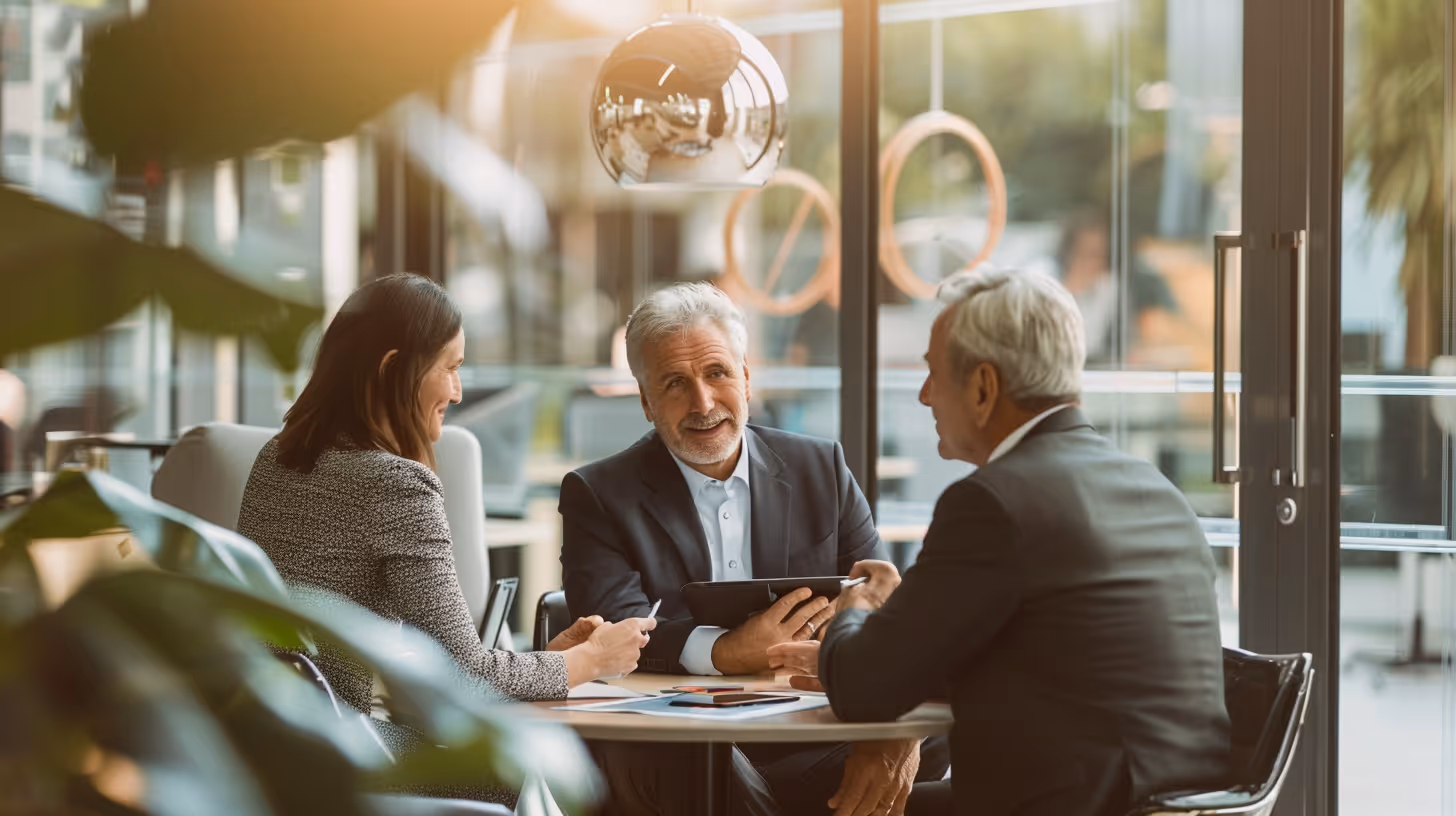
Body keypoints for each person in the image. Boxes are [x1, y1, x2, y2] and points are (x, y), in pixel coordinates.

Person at [788, 266, 1231, 816]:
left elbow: (861, 692)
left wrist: (858, 606)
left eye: (933, 374)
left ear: (983, 387)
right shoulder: (1158, 492)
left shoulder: (993, 502)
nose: (924, 395)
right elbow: (1058, 660)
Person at [236, 274, 655, 802]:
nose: (457, 391)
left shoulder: (275, 459)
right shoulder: (396, 484)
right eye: (451, 369)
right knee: (503, 761)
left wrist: (547, 660)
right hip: (333, 749)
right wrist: (591, 661)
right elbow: (467, 677)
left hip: (256, 743)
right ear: (393, 369)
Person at [559, 281, 948, 815]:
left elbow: (882, 609)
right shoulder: (597, 494)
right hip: (676, 737)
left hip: (808, 729)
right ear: (646, 401)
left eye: (717, 373)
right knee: (703, 769)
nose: (703, 402)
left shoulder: (823, 469)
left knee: (934, 735)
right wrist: (725, 652)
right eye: (675, 383)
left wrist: (879, 707)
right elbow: (613, 635)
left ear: (745, 376)